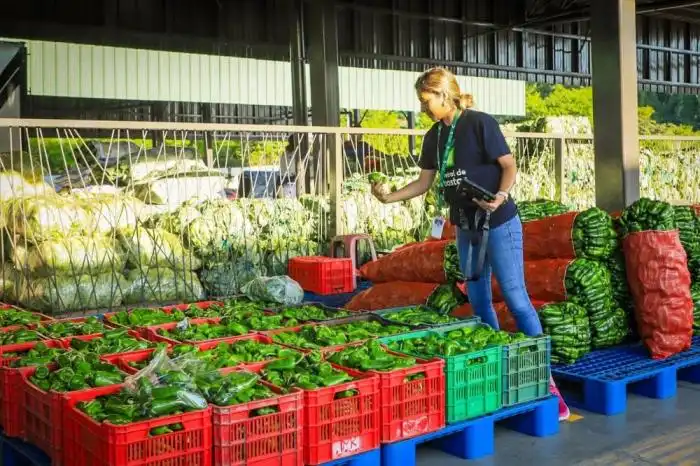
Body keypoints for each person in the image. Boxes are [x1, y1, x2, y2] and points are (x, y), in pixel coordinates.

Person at [371, 67, 570, 421]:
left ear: (444, 94)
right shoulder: (434, 135)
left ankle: (546, 379)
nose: (423, 106)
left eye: (426, 99)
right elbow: (424, 183)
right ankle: (495, 366)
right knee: (477, 297)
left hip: (499, 220)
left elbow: (508, 165)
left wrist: (501, 195)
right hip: (466, 225)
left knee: (514, 295)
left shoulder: (480, 123)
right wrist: (389, 198)